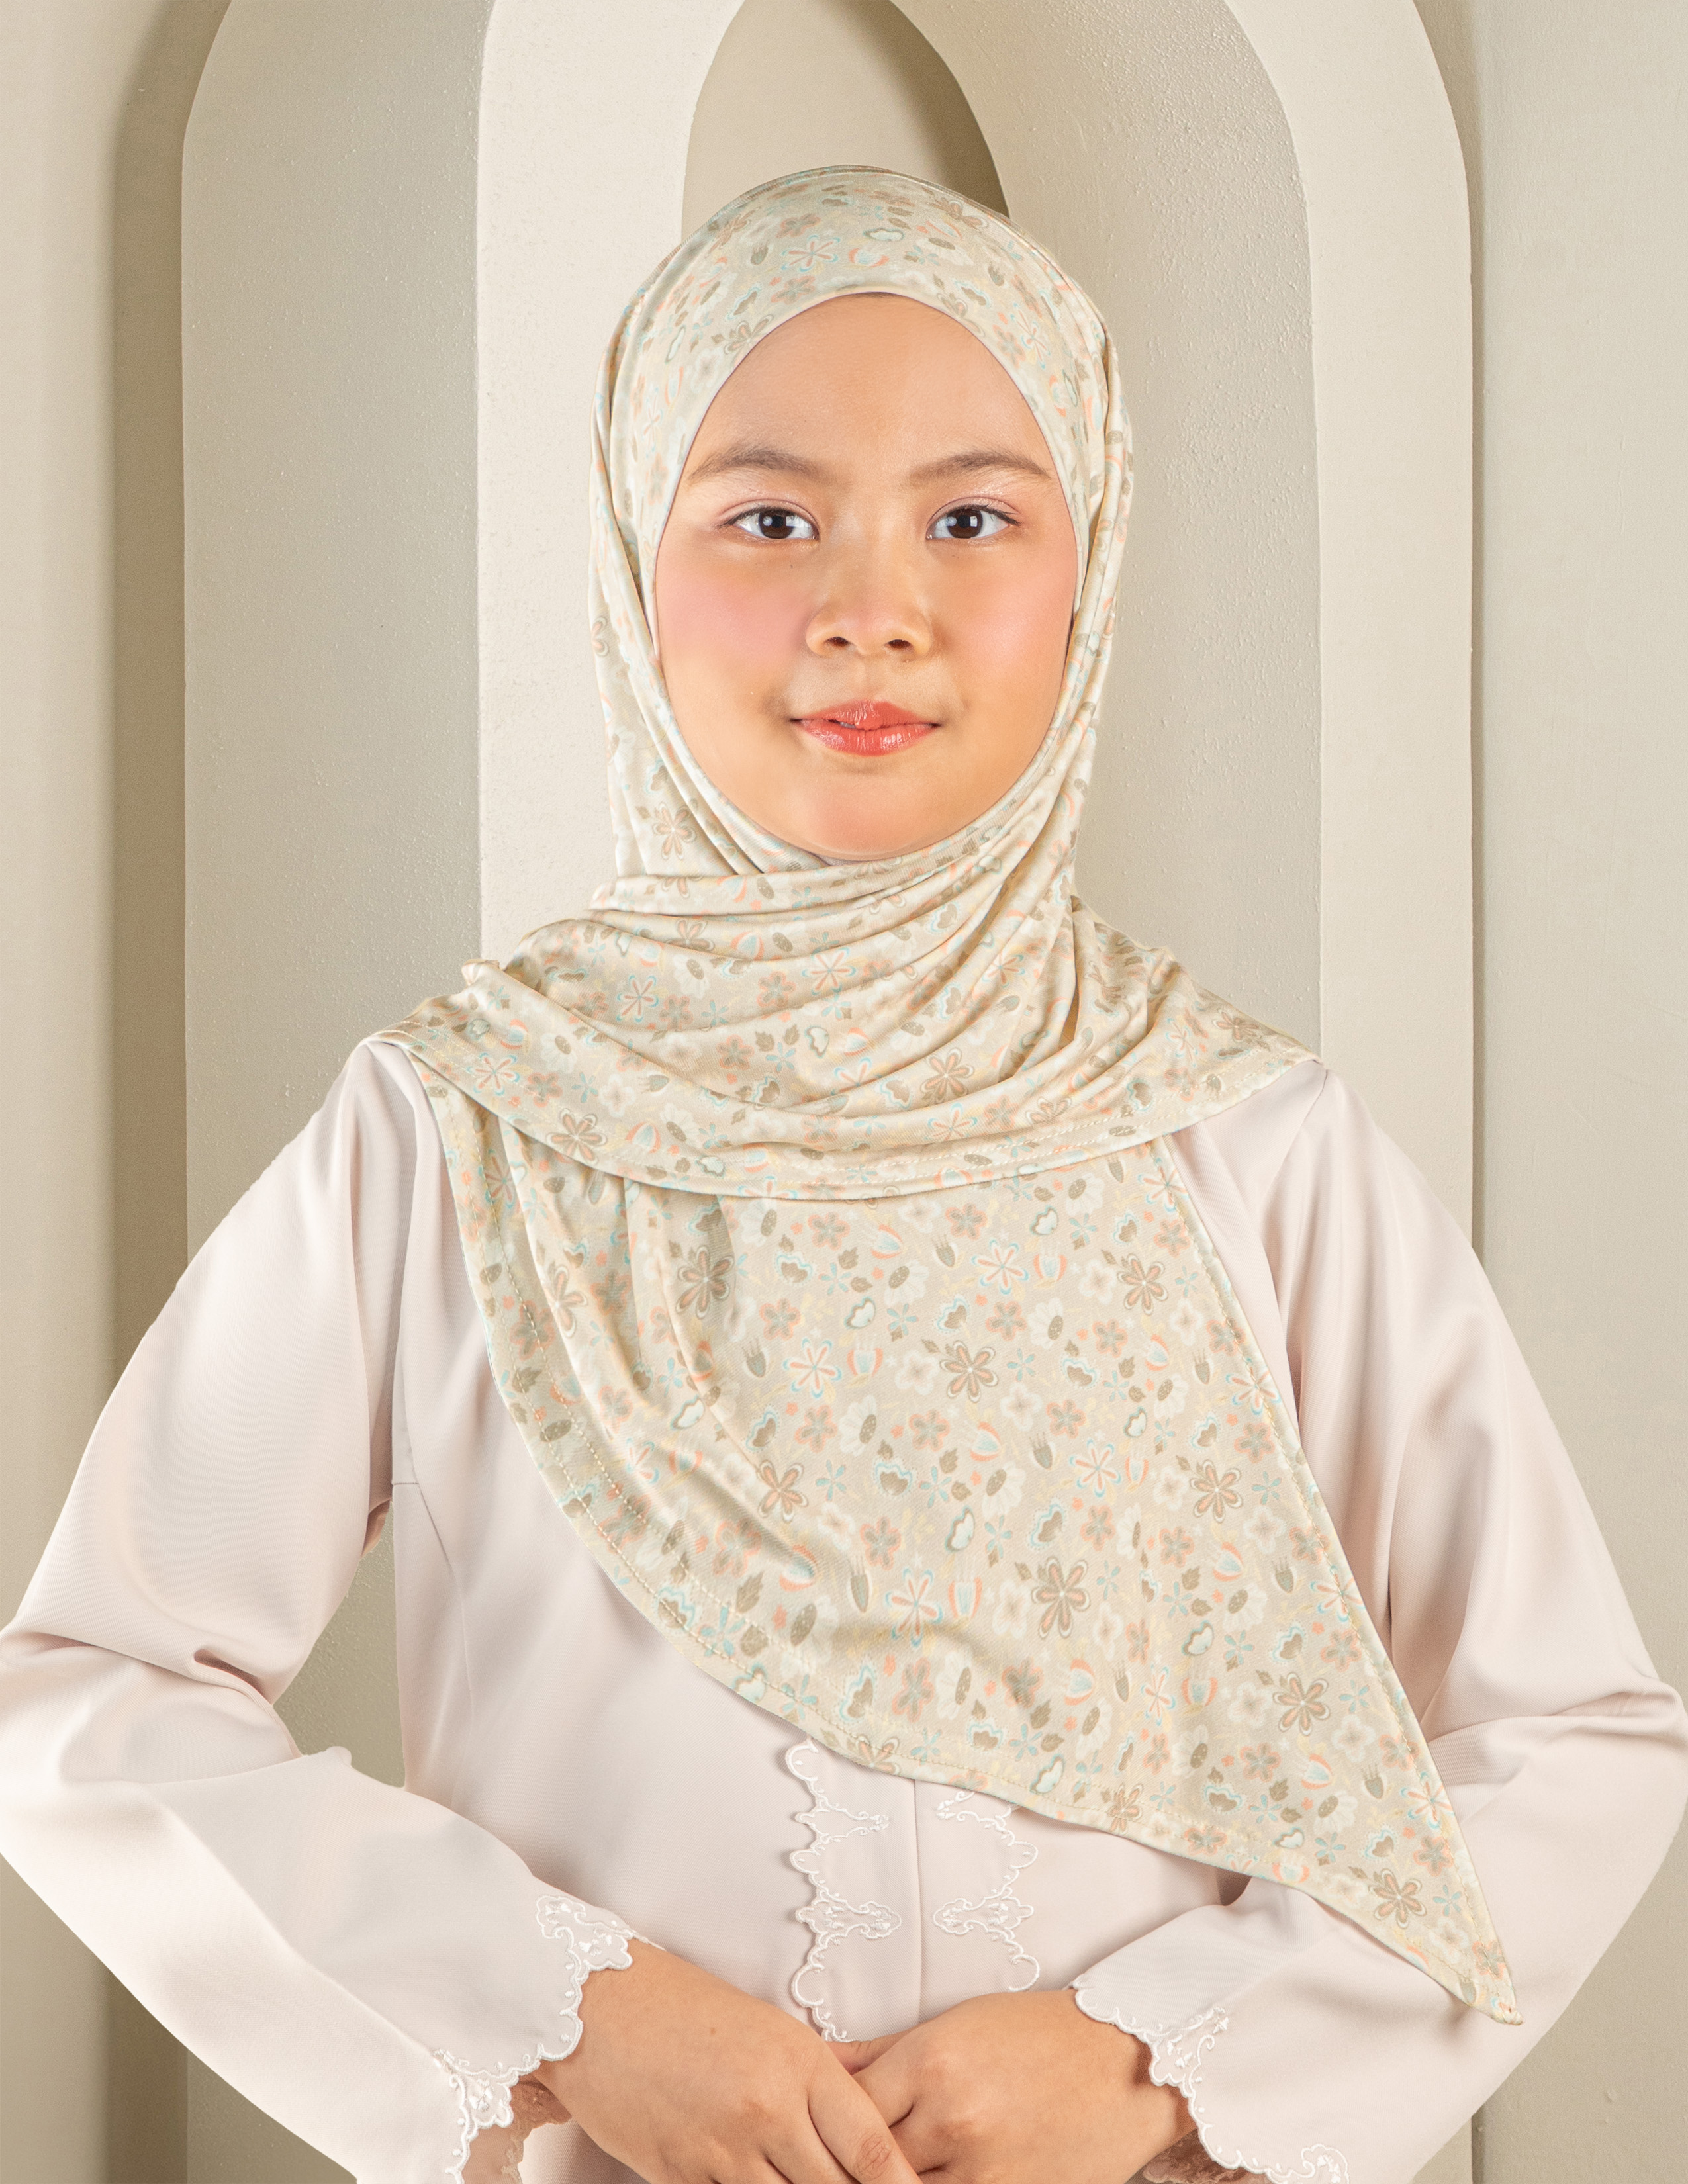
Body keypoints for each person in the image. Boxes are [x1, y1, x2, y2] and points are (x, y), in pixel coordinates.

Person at [0, 167, 1682, 2184]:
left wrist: (1168, 2060)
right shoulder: (467, 1127)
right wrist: (558, 2008)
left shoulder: (1237, 1136)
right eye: (768, 517)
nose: (869, 607)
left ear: (1093, 568)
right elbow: (96, 1692)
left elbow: (1572, 1738)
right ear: (631, 556)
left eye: (972, 519)